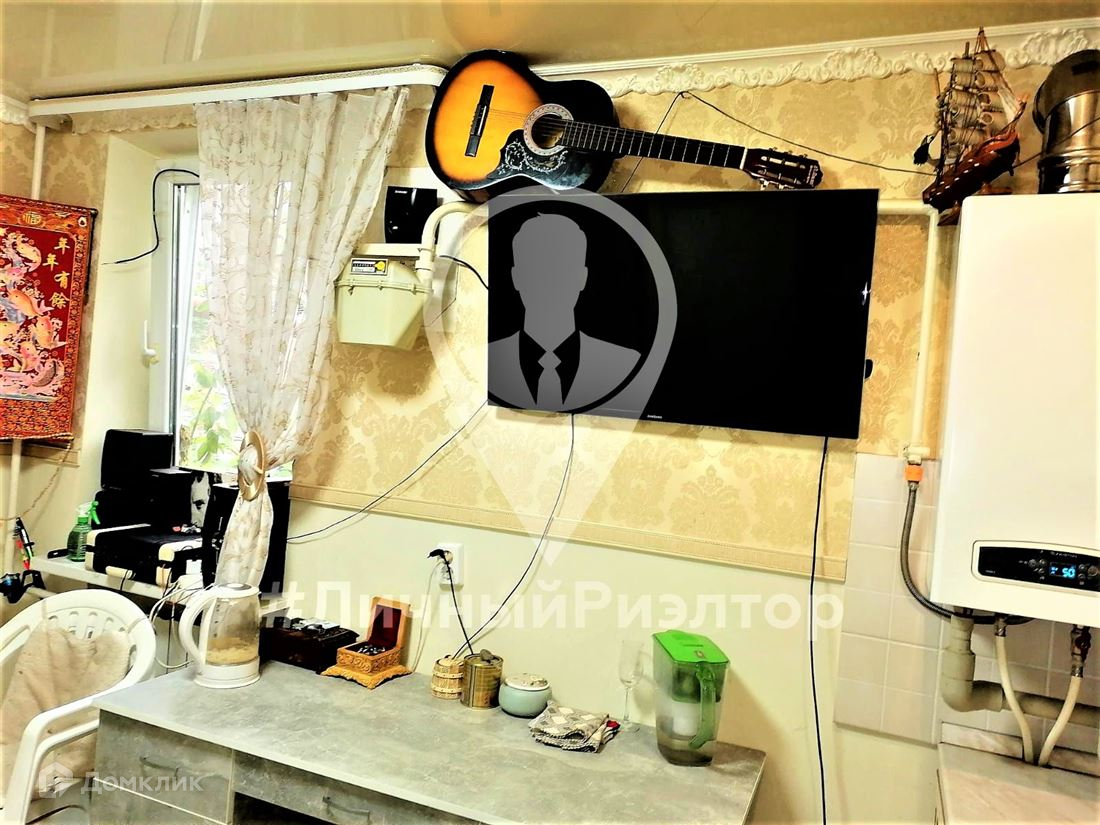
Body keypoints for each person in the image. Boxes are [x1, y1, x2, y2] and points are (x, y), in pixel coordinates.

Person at [489, 213, 640, 411]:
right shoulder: (486, 361)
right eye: (537, 269)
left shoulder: (625, 364)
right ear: (516, 277)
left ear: (582, 278)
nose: (550, 283)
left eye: (562, 268)